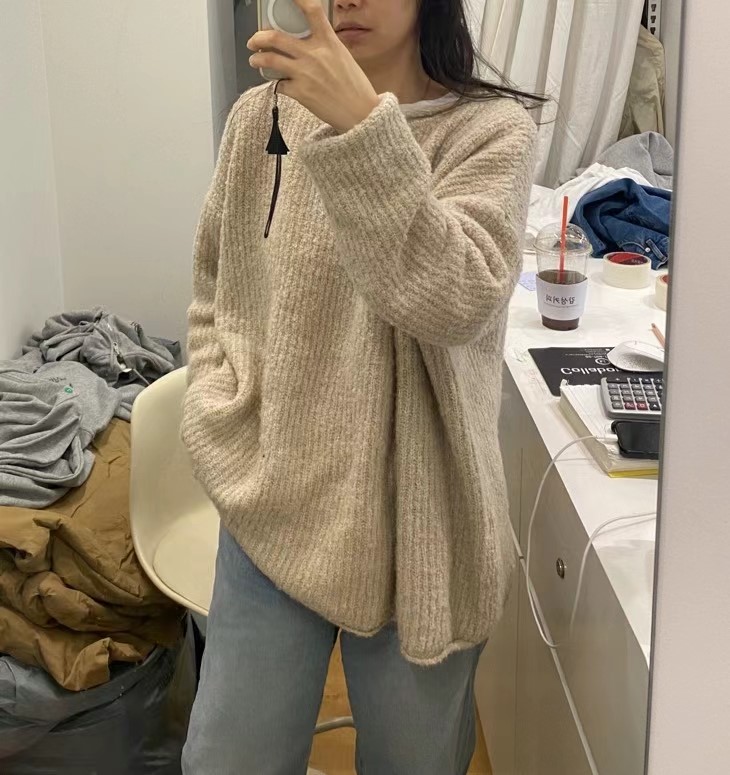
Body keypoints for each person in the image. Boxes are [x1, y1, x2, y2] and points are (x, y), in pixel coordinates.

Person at [181, 1, 539, 773]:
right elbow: (217, 284)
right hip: (271, 503)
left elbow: (454, 301)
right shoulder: (260, 119)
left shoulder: (491, 132)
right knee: (227, 760)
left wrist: (360, 127)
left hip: (424, 529)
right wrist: (218, 407)